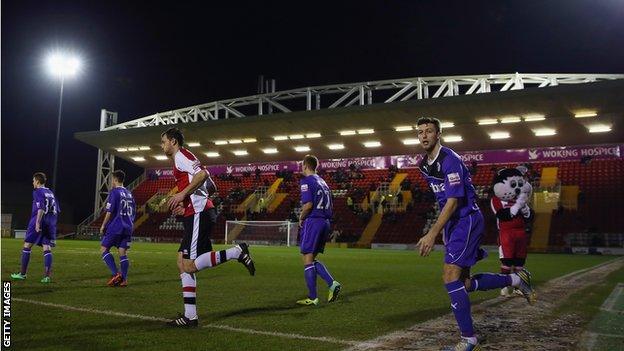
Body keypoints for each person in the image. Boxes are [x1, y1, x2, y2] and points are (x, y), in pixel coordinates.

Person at [414, 117, 535, 351]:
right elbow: (442, 200)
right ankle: (517, 279)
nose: (424, 135)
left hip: (466, 220)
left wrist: (432, 233)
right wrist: (445, 230)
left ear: (439, 134)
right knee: (464, 283)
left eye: (429, 131)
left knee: (449, 276)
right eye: (420, 132)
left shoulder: (450, 160)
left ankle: (469, 340)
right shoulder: (424, 166)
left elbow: (453, 201)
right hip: (454, 224)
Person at [160, 127, 256, 327]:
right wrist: (185, 204)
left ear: (174, 142)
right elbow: (210, 184)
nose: (162, 146)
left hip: (198, 213)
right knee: (182, 263)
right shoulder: (187, 156)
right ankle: (190, 316)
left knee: (188, 265)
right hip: (197, 212)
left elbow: (202, 175)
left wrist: (183, 196)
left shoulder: (180, 156)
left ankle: (236, 252)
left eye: (164, 142)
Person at [297, 154, 341, 306]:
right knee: (311, 259)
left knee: (307, 259)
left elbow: (308, 205)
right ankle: (330, 285)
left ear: (305, 165)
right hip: (325, 222)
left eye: (301, 165)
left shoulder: (306, 181)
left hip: (313, 221)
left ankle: (314, 296)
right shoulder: (323, 182)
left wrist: (301, 217)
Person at [11, 172, 59, 283]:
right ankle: (47, 277)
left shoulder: (37, 191)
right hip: (50, 222)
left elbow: (41, 208)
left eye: (33, 181)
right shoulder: (50, 192)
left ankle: (22, 274)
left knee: (27, 245)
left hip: (38, 221)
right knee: (47, 247)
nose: (33, 183)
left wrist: (37, 223)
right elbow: (56, 209)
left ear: (37, 181)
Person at [99, 170, 136, 287]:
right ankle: (124, 280)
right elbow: (134, 212)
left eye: (112, 179)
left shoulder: (114, 192)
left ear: (115, 179)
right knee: (122, 252)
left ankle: (116, 274)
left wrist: (103, 225)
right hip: (128, 226)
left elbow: (109, 212)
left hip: (116, 226)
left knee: (104, 249)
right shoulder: (130, 194)